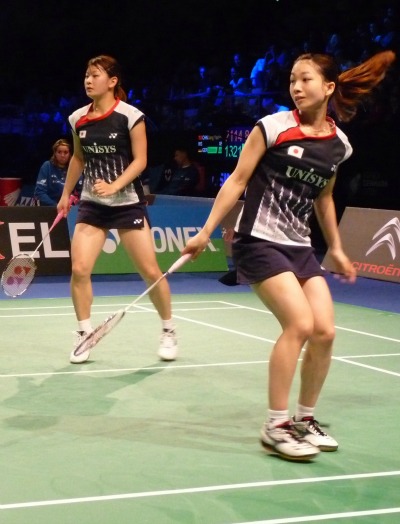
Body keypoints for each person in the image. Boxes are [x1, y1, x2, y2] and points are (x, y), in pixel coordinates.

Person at [182, 50, 395, 461]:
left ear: (328, 87)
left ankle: (304, 418)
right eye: (293, 80)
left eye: (305, 79)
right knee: (299, 324)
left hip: (299, 244)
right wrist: (206, 231)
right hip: (259, 240)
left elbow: (324, 197)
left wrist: (336, 246)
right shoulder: (273, 127)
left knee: (325, 331)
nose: (296, 87)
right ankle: (275, 425)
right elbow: (238, 180)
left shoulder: (339, 145)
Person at [57, 55, 178, 364]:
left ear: (112, 81)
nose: (88, 80)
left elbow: (141, 160)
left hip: (127, 204)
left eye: (95, 75)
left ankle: (168, 329)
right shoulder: (77, 118)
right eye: (86, 75)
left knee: (150, 272)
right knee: (79, 269)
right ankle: (85, 333)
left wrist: (115, 186)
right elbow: (79, 158)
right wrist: (66, 193)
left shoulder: (130, 116)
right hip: (92, 204)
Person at [34, 138, 76, 205]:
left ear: (70, 154)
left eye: (65, 152)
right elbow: (39, 192)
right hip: (49, 207)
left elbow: (80, 192)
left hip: (69, 208)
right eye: (59, 152)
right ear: (55, 153)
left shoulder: (74, 168)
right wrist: (56, 206)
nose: (62, 155)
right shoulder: (47, 166)